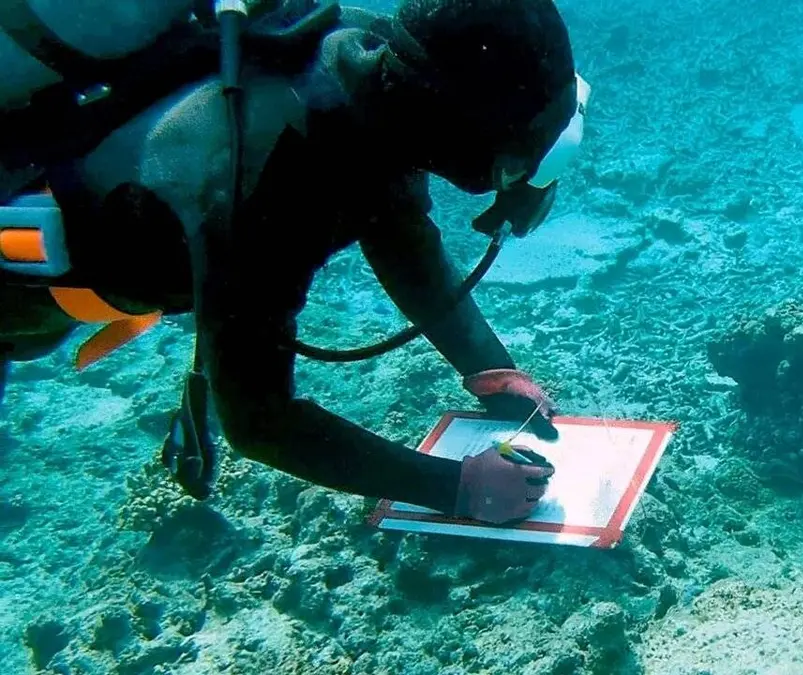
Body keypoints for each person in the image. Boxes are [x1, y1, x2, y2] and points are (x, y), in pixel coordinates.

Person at [0, 0, 590, 525]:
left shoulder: (377, 75)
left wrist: (487, 366)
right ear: (464, 134)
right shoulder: (269, 181)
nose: (520, 175)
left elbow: (398, 229)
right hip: (22, 296)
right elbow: (258, 420)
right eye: (518, 155)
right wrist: (455, 486)